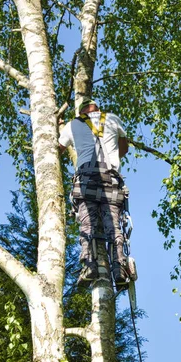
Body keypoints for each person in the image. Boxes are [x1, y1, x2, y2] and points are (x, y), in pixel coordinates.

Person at [58, 99, 129, 286]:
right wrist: (112, 159)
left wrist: (60, 128)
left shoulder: (73, 125)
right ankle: (119, 268)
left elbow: (58, 149)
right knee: (113, 225)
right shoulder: (112, 119)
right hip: (111, 181)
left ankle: (90, 265)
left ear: (81, 112)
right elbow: (124, 147)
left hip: (86, 181)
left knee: (87, 224)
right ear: (97, 109)